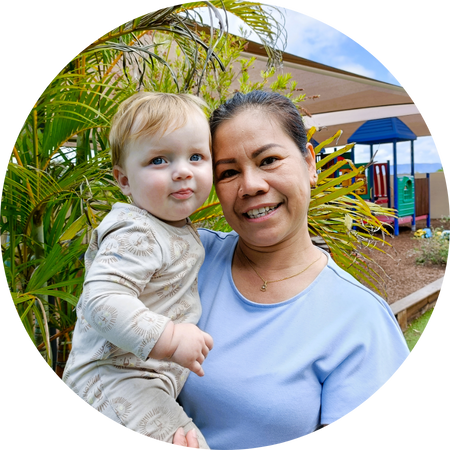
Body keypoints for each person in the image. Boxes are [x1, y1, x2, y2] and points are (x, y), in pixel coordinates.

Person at [173, 90, 411, 450]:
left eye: (268, 160)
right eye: (229, 172)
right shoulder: (186, 261)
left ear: (310, 164)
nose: (251, 185)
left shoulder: (358, 320)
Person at [62, 92, 214, 449]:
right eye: (159, 159)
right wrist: (172, 338)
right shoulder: (137, 230)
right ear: (125, 180)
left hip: (136, 382)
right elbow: (101, 301)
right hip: (114, 380)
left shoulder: (173, 227)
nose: (182, 170)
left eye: (196, 156)